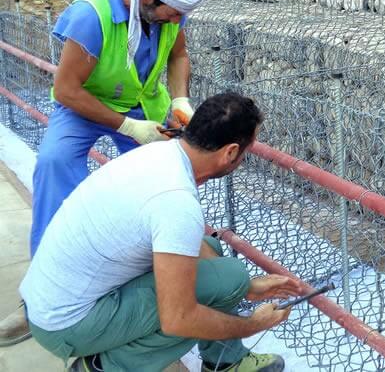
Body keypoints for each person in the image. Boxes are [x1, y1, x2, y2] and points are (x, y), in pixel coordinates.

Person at [0, 0, 205, 347]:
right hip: (85, 104)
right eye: (173, 13)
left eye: (182, 14)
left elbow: (179, 55)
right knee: (54, 164)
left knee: (172, 174)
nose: (178, 21)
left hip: (142, 103)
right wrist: (128, 127)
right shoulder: (91, 15)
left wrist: (180, 101)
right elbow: (65, 90)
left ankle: (166, 266)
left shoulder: (167, 9)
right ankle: (42, 296)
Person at [18, 92, 301, 372]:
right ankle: (105, 367)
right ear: (230, 152)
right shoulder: (176, 200)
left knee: (218, 261)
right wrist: (254, 325)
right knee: (207, 294)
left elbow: (191, 248)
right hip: (67, 326)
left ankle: (225, 361)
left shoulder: (160, 153)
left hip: (47, 305)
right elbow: (178, 318)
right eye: (246, 152)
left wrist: (246, 287)